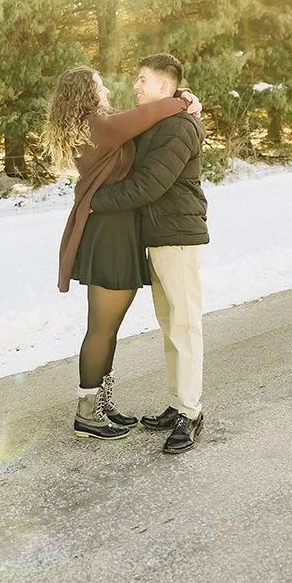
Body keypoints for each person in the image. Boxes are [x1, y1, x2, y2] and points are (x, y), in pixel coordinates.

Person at [44, 66, 201, 441]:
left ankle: (101, 404)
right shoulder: (98, 125)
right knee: (101, 327)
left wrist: (184, 95)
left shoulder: (103, 122)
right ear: (86, 92)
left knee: (108, 327)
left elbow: (146, 114)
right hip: (110, 232)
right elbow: (147, 114)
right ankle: (87, 414)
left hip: (116, 229)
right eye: (99, 84)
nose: (107, 87)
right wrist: (181, 99)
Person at [89, 53, 209, 455]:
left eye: (143, 80)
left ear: (164, 86)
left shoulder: (180, 126)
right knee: (169, 325)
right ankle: (177, 404)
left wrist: (95, 200)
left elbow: (149, 185)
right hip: (156, 236)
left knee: (185, 326)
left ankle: (190, 413)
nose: (136, 86)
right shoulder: (159, 118)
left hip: (177, 235)